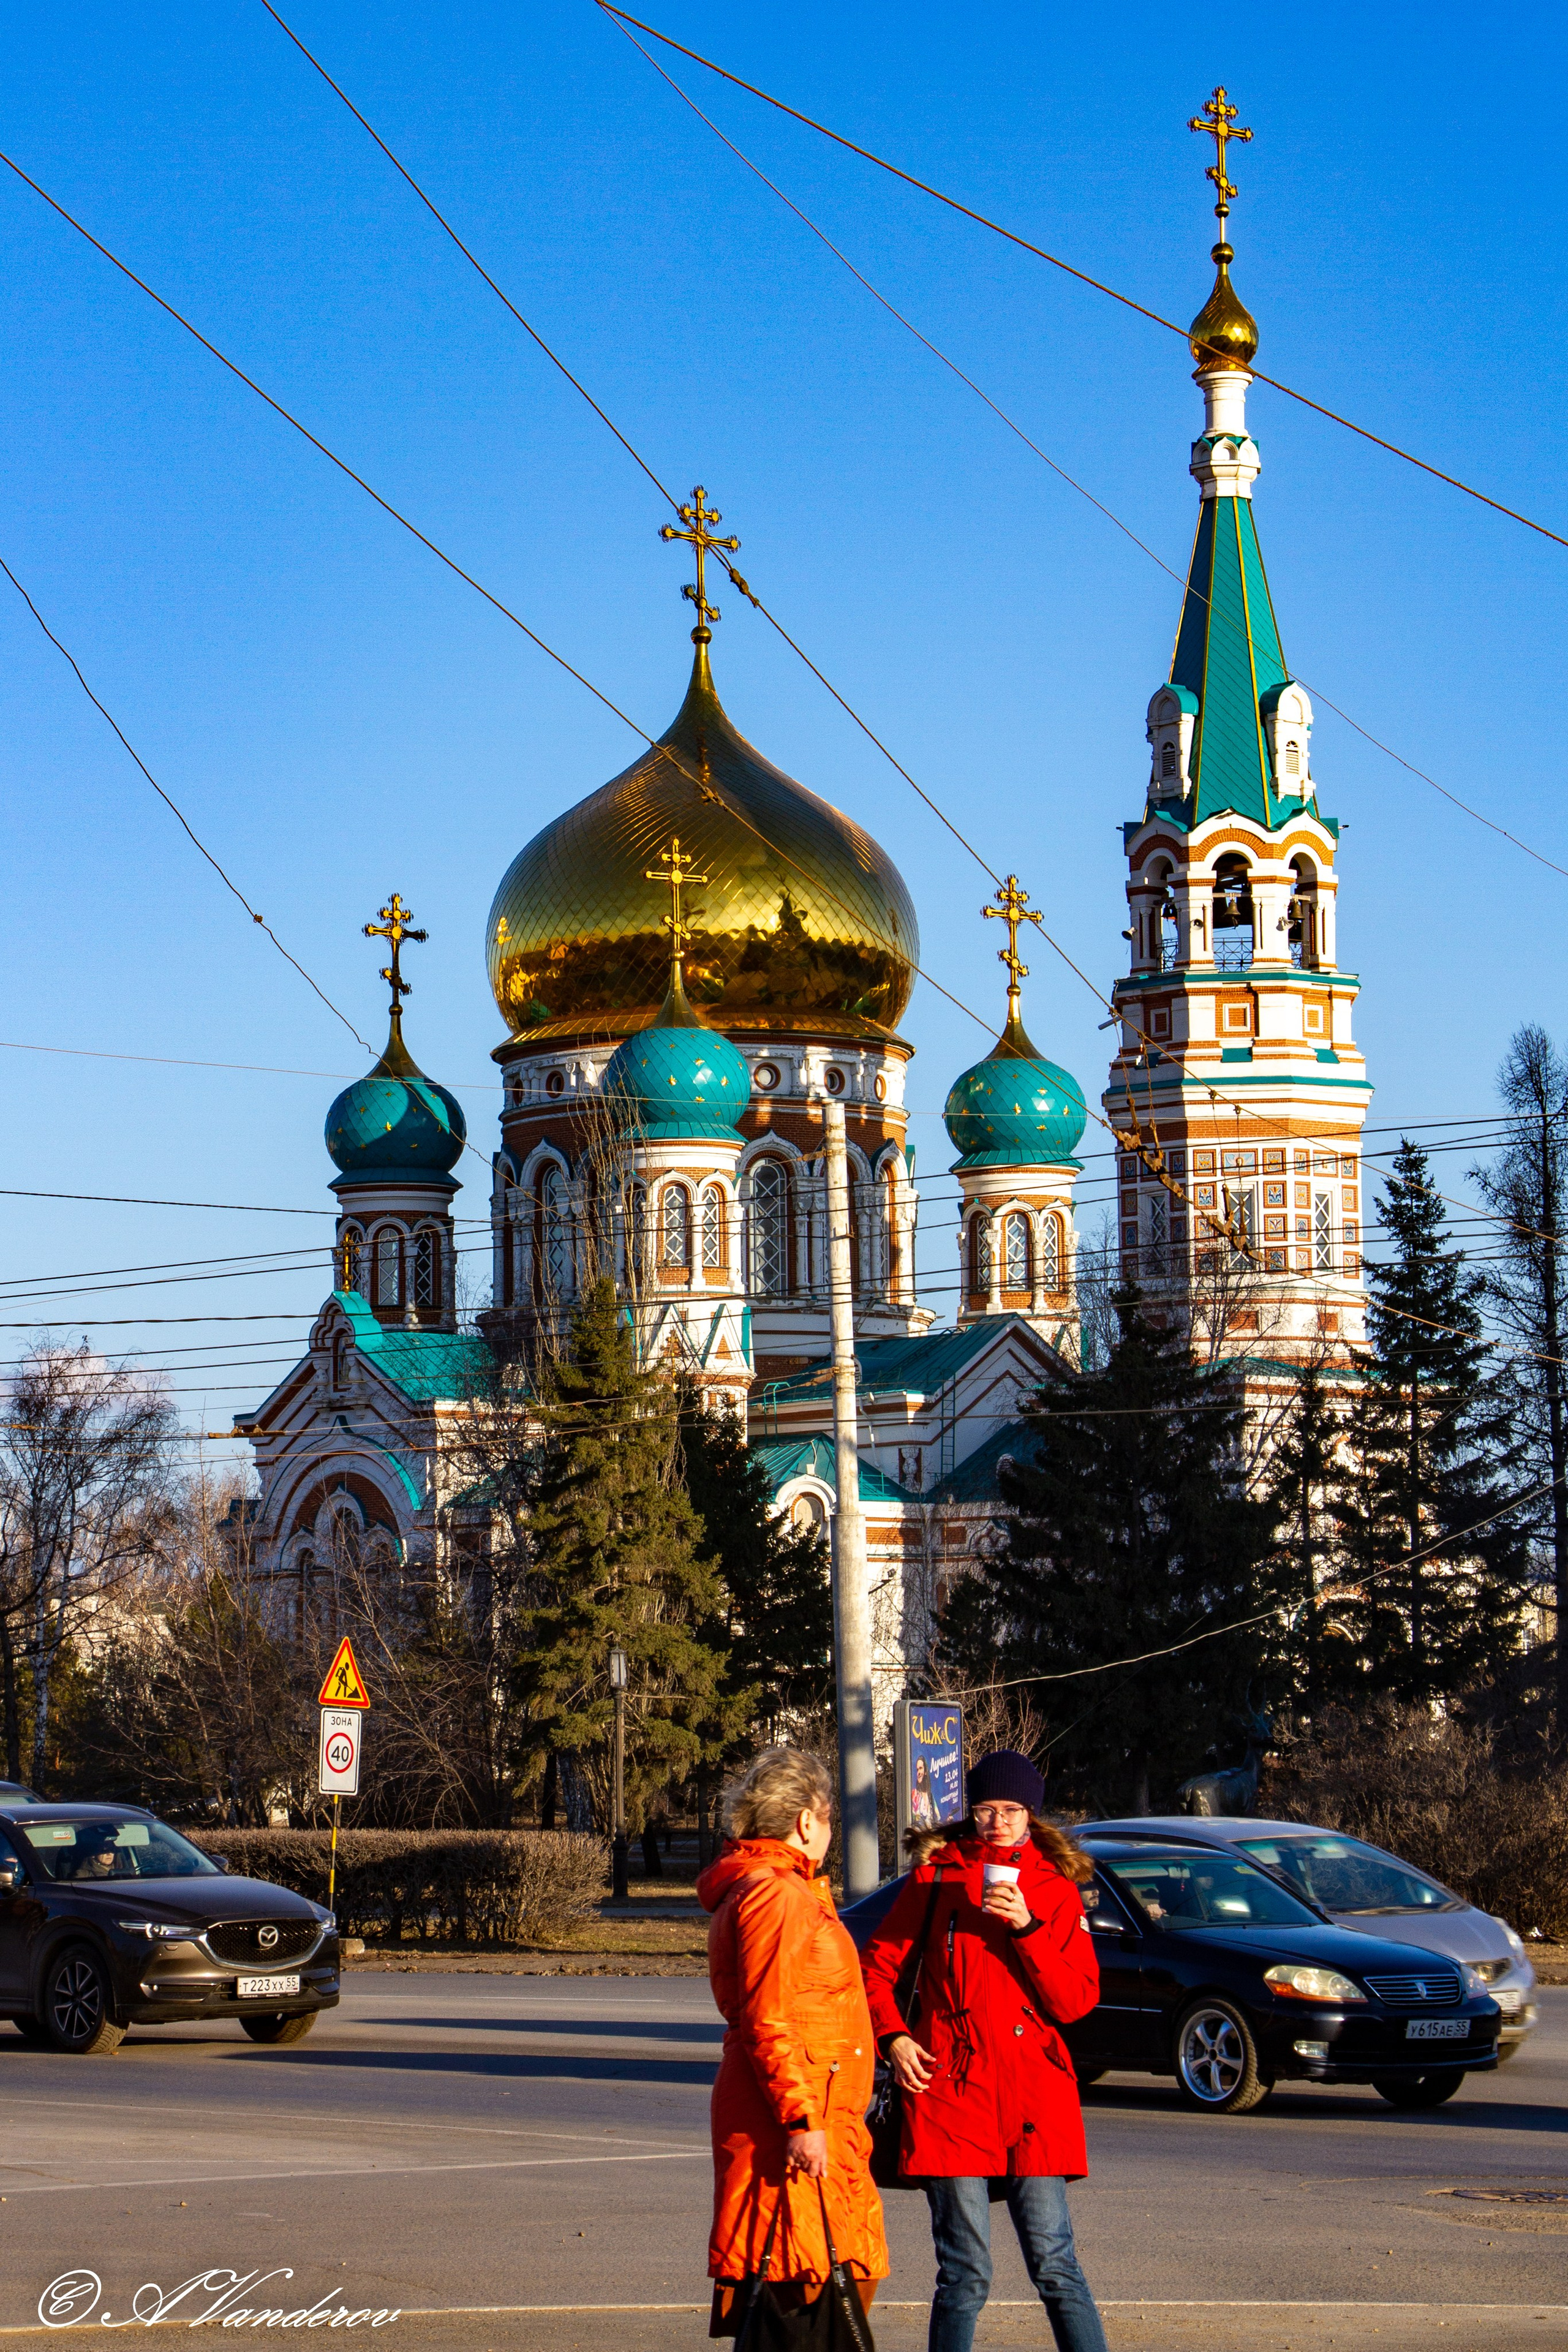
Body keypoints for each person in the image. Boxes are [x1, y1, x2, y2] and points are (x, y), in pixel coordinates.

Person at [861, 1749, 1108, 2352]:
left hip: (1034, 2097)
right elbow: (873, 1970)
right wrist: (893, 2037)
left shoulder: (1054, 1889)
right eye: (984, 1809)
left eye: (1010, 1810)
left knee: (1056, 2267)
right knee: (965, 2274)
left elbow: (1075, 2001)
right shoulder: (936, 1879)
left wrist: (1027, 1927)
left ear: (1031, 1815)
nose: (996, 1821)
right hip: (950, 2091)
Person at [698, 1746, 888, 2338]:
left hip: (816, 2119)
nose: (831, 1832)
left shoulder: (785, 1889)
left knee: (813, 2286)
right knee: (797, 2291)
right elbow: (766, 2020)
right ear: (809, 1819)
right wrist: (803, 2122)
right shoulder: (776, 1896)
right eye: (831, 1819)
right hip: (794, 2126)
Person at [910, 1754, 938, 1830]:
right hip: (918, 1838)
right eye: (917, 1770)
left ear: (926, 1771)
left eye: (921, 1768)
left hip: (930, 1839)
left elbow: (938, 1819)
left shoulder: (931, 1797)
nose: (918, 1772)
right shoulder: (914, 1795)